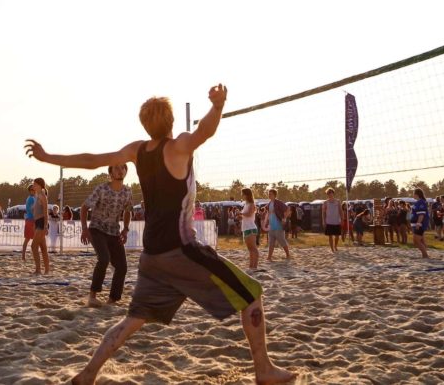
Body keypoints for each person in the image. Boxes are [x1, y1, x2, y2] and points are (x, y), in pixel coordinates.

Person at [25, 84, 294, 385]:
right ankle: (264, 370)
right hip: (182, 251)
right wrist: (218, 105)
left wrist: (48, 157)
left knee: (133, 319)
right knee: (252, 296)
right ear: (171, 120)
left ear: (145, 123)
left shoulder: (137, 150)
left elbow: (92, 159)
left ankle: (87, 374)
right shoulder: (177, 146)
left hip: (152, 256)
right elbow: (205, 131)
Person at [80, 162, 133, 308]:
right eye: (116, 168)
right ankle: (92, 296)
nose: (120, 170)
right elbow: (84, 207)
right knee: (104, 258)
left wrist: (126, 229)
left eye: (123, 168)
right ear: (110, 173)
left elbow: (128, 210)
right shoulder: (102, 189)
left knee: (122, 266)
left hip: (114, 231)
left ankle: (113, 300)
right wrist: (84, 229)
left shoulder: (127, 192)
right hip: (97, 228)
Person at [31, 178, 50, 275]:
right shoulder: (37, 195)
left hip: (42, 222)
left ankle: (38, 270)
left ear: (39, 185)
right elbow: (36, 211)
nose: (33, 185)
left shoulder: (42, 195)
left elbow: (46, 211)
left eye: (34, 184)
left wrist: (46, 226)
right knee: (43, 248)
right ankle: (46, 270)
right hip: (38, 222)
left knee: (33, 246)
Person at [265, 189, 290, 261]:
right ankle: (269, 257)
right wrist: (266, 222)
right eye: (269, 194)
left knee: (282, 241)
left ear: (274, 195)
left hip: (278, 226)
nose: (269, 195)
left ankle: (288, 255)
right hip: (271, 226)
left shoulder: (278, 202)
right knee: (271, 242)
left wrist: (284, 219)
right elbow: (268, 214)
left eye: (270, 194)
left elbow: (288, 209)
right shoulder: (269, 203)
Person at [240, 188, 259, 270]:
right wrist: (240, 216)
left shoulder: (251, 204)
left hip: (251, 228)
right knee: (250, 249)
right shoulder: (246, 204)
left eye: (243, 194)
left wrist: (240, 213)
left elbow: (249, 214)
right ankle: (251, 265)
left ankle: (255, 266)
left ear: (247, 194)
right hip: (246, 227)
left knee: (253, 248)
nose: (242, 195)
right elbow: (245, 216)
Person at [411, 188, 430, 258]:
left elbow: (421, 215)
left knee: (416, 240)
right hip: (417, 224)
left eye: (413, 194)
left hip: (420, 224)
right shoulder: (418, 202)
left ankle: (425, 255)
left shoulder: (421, 202)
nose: (413, 195)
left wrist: (418, 224)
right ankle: (425, 254)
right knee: (420, 241)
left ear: (416, 194)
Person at [323, 188, 342, 253]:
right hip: (329, 221)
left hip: (337, 221)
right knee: (330, 236)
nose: (330, 194)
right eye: (328, 193)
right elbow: (323, 213)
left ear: (333, 193)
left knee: (337, 236)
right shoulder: (325, 202)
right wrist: (324, 221)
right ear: (327, 194)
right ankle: (332, 249)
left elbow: (340, 211)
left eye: (331, 193)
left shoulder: (338, 201)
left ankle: (335, 246)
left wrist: (342, 219)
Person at [21, 183, 36, 261]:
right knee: (28, 239)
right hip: (31, 220)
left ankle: (25, 256)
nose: (34, 191)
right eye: (32, 190)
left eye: (34, 189)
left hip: (31, 219)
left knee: (32, 239)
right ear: (30, 191)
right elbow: (33, 210)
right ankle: (23, 256)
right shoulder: (31, 198)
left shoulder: (32, 198)